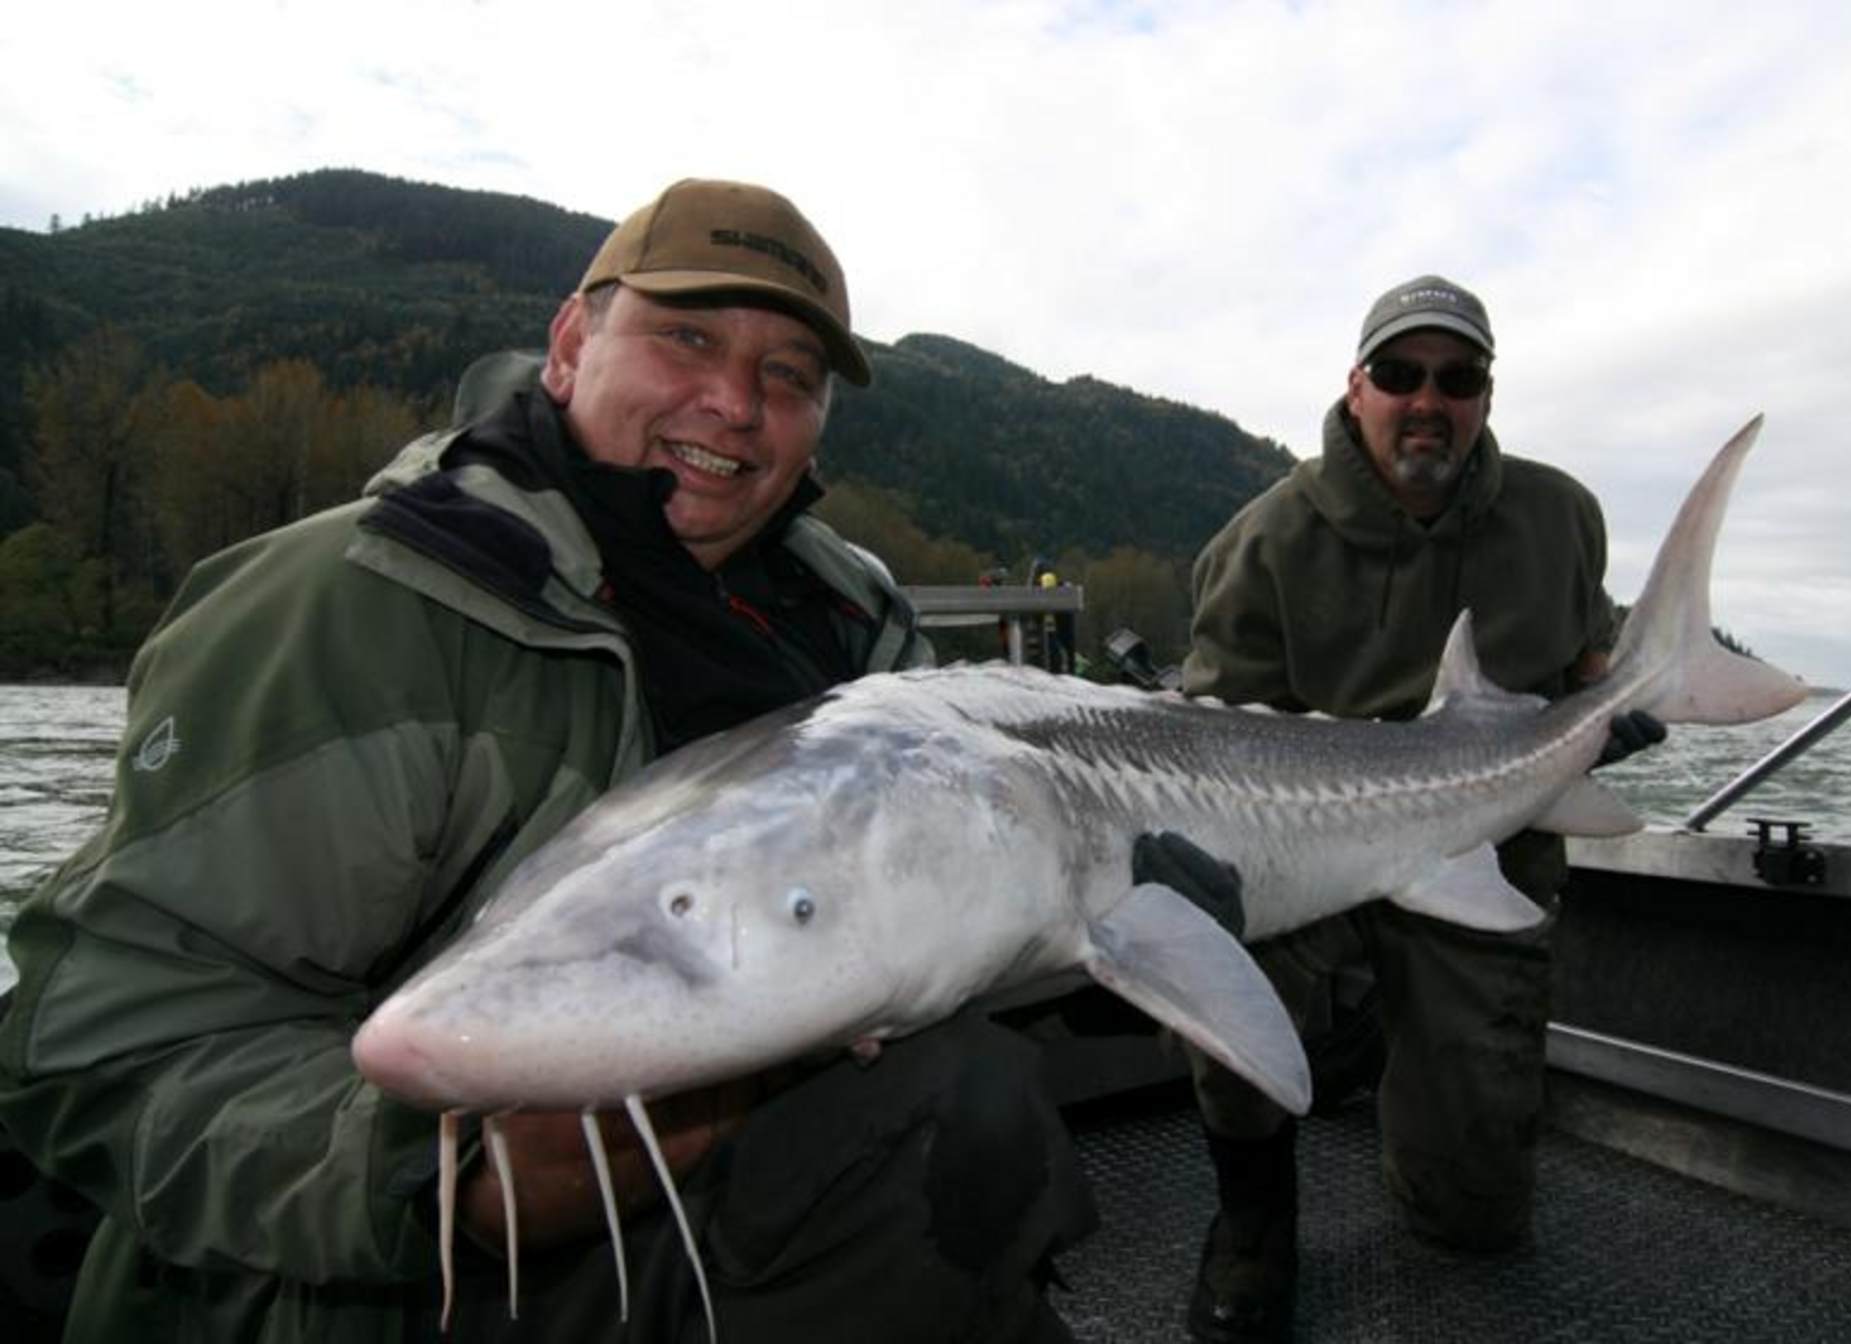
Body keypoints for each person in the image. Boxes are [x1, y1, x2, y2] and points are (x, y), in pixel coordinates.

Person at [0, 179, 1097, 1342]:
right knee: (947, 1121)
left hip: (761, 1189)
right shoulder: (346, 609)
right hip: (354, 1279)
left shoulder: (859, 630)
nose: (735, 401)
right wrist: (453, 1181)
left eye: (789, 377)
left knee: (973, 1123)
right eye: (687, 338)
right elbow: (104, 1041)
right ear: (572, 345)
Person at [1178, 275, 1662, 1342]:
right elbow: (1203, 751)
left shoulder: (1560, 513)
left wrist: (1617, 701)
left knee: (1474, 1223)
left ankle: (1388, 1059)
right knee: (1208, 956)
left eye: (1458, 378)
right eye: (1399, 375)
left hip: (1489, 843)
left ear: (1487, 395)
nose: (1427, 400)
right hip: (1301, 865)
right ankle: (1255, 1217)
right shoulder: (1260, 543)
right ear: (1355, 389)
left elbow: (1589, 658)